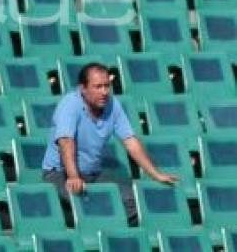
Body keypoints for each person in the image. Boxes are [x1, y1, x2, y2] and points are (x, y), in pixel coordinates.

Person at [42, 62, 178, 225]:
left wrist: (156, 174)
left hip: (93, 173)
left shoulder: (113, 105)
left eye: (107, 86)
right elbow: (66, 141)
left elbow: (130, 141)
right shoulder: (70, 105)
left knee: (135, 201)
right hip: (60, 173)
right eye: (98, 87)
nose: (104, 92)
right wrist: (73, 176)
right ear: (83, 88)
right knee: (94, 203)